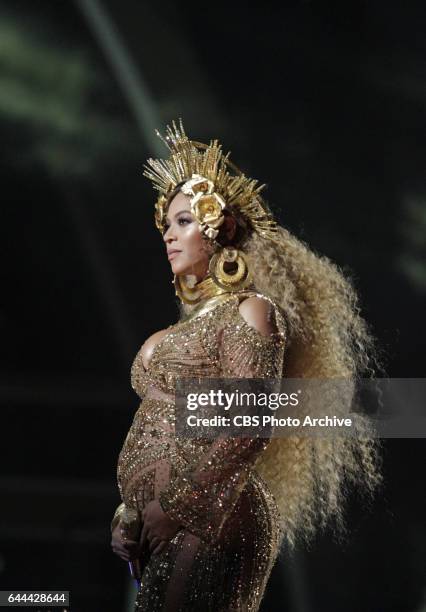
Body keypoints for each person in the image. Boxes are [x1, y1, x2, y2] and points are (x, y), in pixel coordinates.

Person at [111, 119, 382, 611]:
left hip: (214, 516)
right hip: (161, 525)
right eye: (166, 224)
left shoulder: (250, 309)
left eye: (185, 221)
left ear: (223, 229)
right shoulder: (187, 328)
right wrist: (128, 513)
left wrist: (176, 507)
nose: (169, 235)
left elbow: (248, 422)